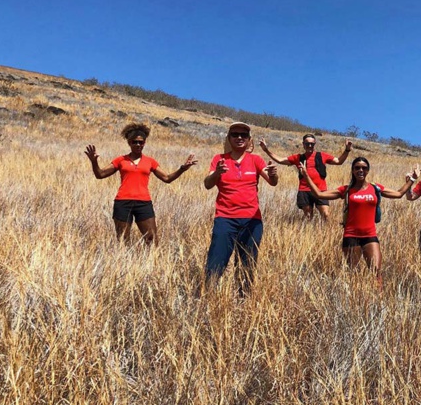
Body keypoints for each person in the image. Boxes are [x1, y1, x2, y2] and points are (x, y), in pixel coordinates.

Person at [299, 156, 417, 279]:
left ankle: (378, 292)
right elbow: (319, 194)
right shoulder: (346, 190)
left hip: (370, 235)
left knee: (376, 272)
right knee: (353, 274)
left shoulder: (375, 188)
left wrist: (412, 179)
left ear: (368, 170)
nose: (361, 170)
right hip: (351, 236)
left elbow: (398, 194)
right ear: (353, 170)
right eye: (357, 168)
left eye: (364, 168)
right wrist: (306, 175)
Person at [84, 122, 196, 245]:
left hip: (143, 203)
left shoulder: (150, 161)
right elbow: (100, 174)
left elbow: (167, 178)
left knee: (151, 239)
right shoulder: (120, 160)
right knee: (123, 241)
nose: (138, 144)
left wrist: (182, 169)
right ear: (129, 143)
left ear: (144, 143)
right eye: (135, 142)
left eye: (141, 142)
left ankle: (151, 258)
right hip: (123, 202)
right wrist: (94, 162)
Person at [203, 122, 278, 295]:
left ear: (249, 139)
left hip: (252, 220)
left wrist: (274, 175)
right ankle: (208, 297)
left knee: (247, 264)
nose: (239, 137)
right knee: (216, 261)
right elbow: (207, 184)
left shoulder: (255, 160)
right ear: (229, 138)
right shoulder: (219, 159)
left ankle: (244, 300)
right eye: (235, 134)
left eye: (243, 135)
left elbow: (272, 182)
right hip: (225, 218)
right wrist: (217, 173)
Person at [259, 134, 352, 221]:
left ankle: (325, 232)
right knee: (308, 217)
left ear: (314, 144)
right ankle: (309, 232)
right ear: (303, 144)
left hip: (321, 190)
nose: (310, 146)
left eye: (312, 144)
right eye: (307, 144)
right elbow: (280, 160)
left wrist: (347, 150)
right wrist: (266, 150)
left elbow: (339, 161)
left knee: (326, 215)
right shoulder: (298, 157)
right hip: (304, 190)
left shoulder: (322, 155)